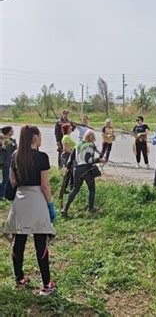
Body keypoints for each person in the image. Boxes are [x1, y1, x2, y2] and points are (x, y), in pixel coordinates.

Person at [3, 125, 57, 296]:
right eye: (40, 136)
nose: (41, 138)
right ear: (35, 137)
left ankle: (19, 280)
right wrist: (50, 205)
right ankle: (46, 284)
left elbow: (12, 181)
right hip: (37, 199)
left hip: (20, 199)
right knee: (40, 242)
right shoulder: (42, 157)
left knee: (19, 241)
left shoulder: (15, 155)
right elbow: (45, 185)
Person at [61, 130, 105, 217]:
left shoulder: (78, 144)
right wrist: (99, 160)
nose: (95, 139)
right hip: (86, 170)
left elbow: (71, 158)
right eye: (93, 137)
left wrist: (67, 167)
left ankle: (65, 209)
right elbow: (89, 160)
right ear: (90, 137)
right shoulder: (90, 146)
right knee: (91, 189)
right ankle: (91, 207)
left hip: (76, 170)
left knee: (75, 189)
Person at [0, 126, 17, 198]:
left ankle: (4, 194)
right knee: (6, 179)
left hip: (10, 162)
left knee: (8, 179)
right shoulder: (2, 140)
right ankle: (2, 195)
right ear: (8, 131)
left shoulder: (12, 140)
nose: (13, 131)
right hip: (5, 162)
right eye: (12, 130)